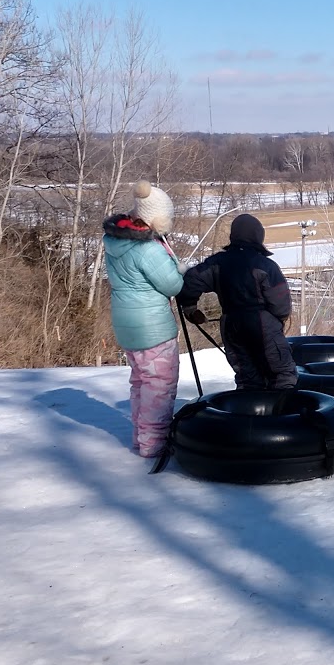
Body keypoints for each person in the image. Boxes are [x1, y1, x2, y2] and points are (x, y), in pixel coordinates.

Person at [102, 181, 184, 458]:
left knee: (140, 381)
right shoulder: (147, 250)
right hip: (152, 327)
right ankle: (154, 444)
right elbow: (172, 286)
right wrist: (179, 269)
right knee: (158, 386)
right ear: (157, 219)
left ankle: (141, 437)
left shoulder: (115, 241)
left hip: (126, 323)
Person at [177, 214, 297, 390]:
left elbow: (191, 280)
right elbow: (281, 304)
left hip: (231, 323)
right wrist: (278, 320)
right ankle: (282, 413)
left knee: (247, 377)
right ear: (258, 236)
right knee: (282, 374)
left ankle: (247, 412)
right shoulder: (265, 265)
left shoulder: (217, 262)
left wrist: (190, 307)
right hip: (263, 324)